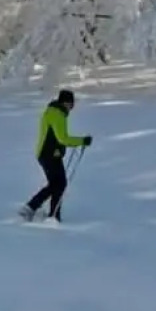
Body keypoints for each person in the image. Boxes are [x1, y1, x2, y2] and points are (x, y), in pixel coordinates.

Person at [20, 89, 92, 223]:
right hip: (48, 154)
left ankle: (49, 213)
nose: (72, 107)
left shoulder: (55, 113)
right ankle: (37, 210)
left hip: (49, 154)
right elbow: (63, 138)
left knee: (57, 184)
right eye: (71, 104)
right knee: (58, 184)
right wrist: (82, 141)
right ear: (65, 102)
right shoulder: (57, 115)